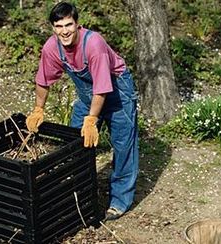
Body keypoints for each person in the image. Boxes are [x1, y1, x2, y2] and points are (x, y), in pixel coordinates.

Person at [25, 1, 139, 221]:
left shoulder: (93, 44)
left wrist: (92, 120)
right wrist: (38, 109)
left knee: (123, 145)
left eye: (69, 25)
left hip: (117, 93)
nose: (64, 31)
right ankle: (79, 193)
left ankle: (119, 200)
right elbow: (43, 80)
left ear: (77, 25)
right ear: (53, 28)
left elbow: (103, 88)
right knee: (74, 143)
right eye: (59, 26)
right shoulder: (52, 47)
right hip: (89, 97)